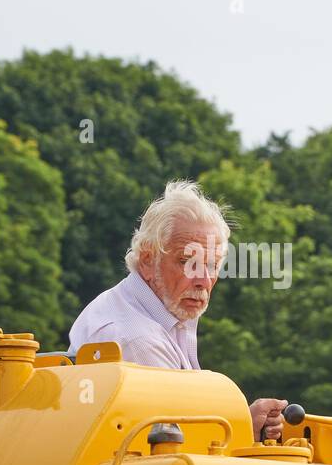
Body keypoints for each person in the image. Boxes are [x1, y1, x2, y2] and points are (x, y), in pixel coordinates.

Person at [68, 180, 287, 442]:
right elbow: (179, 452)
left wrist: (243, 424)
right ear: (148, 261)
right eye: (187, 262)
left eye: (212, 265)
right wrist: (243, 432)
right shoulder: (136, 339)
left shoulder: (149, 311)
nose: (203, 280)